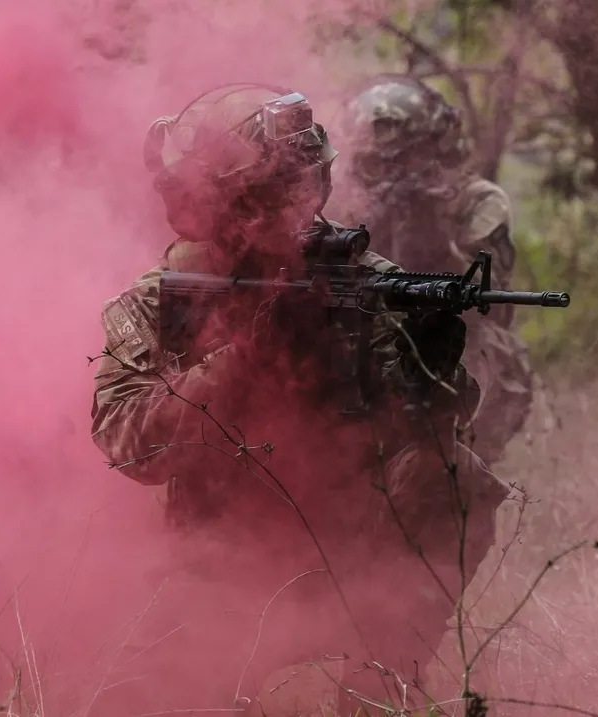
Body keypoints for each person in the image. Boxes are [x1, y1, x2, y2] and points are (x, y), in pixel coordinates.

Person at [89, 83, 509, 716]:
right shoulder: (164, 295)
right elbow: (128, 443)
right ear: (219, 201)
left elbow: (435, 431)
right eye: (270, 196)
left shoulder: (355, 276)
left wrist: (430, 370)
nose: (295, 212)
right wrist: (242, 360)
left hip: (349, 552)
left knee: (457, 478)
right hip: (218, 565)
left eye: (304, 189)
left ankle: (380, 684)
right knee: (133, 700)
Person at [334, 74, 535, 468]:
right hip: (365, 337)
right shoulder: (345, 203)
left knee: (484, 350)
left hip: (451, 338)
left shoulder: (475, 201)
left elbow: (489, 302)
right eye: (374, 163)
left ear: (434, 149)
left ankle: (456, 463)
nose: (390, 173)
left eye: (405, 158)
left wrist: (433, 238)